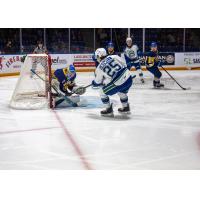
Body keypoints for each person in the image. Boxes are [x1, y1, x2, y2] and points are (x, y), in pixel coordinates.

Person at [91, 48, 132, 117]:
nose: (96, 58)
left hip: (119, 83)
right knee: (121, 92)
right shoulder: (114, 56)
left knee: (102, 91)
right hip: (129, 78)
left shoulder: (99, 67)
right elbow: (124, 65)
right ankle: (126, 107)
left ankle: (108, 109)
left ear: (99, 55)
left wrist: (94, 83)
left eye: (97, 56)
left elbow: (97, 82)